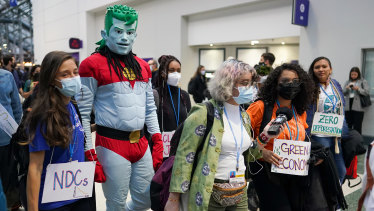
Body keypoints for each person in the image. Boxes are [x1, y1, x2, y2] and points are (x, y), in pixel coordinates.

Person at [75, 5, 163, 210]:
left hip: (141, 142)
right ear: (105, 34)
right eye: (118, 31)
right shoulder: (91, 65)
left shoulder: (142, 66)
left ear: (135, 35)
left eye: (130, 32)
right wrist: (89, 153)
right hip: (111, 144)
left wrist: (157, 140)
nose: (124, 37)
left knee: (147, 199)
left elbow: (150, 108)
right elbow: (83, 115)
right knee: (116, 203)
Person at [166, 60, 269, 211]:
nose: (250, 88)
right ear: (227, 83)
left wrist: (266, 136)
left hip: (240, 189)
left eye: (251, 83)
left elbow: (248, 153)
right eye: (244, 83)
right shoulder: (204, 112)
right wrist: (174, 198)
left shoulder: (244, 116)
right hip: (209, 189)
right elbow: (184, 156)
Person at [25, 51, 95, 210]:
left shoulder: (71, 105)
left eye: (75, 72)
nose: (73, 77)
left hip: (78, 192)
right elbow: (35, 168)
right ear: (51, 79)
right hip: (54, 201)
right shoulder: (42, 116)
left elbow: (72, 135)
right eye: (65, 74)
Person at [246, 63, 315, 211]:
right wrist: (261, 151)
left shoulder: (299, 111)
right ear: (275, 83)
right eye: (285, 81)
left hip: (294, 173)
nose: (291, 85)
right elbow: (240, 134)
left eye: (295, 81)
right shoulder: (260, 106)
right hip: (266, 171)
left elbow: (303, 137)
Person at [306, 56, 347, 183]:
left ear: (330, 69)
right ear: (313, 70)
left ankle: (335, 201)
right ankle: (328, 201)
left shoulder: (335, 84)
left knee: (341, 172)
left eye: (324, 66)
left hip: (335, 135)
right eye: (317, 67)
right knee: (325, 172)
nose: (321, 69)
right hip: (319, 135)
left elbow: (342, 105)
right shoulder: (310, 86)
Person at [154, 55, 191, 156]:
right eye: (172, 70)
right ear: (163, 73)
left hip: (181, 149)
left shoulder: (184, 95)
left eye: (178, 71)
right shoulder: (155, 95)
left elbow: (189, 123)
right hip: (162, 150)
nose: (176, 74)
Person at [0, 67, 22, 210]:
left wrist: (15, 130)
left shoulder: (7, 76)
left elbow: (16, 106)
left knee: (9, 173)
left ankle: (12, 204)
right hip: (6, 136)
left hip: (6, 137)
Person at [343, 67, 370, 134]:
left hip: (358, 107)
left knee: (357, 125)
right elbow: (343, 92)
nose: (353, 76)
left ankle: (357, 142)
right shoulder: (348, 81)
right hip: (348, 106)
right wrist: (346, 88)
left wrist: (358, 89)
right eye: (352, 74)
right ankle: (348, 141)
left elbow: (366, 92)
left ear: (358, 74)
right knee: (348, 124)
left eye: (355, 74)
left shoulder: (363, 81)